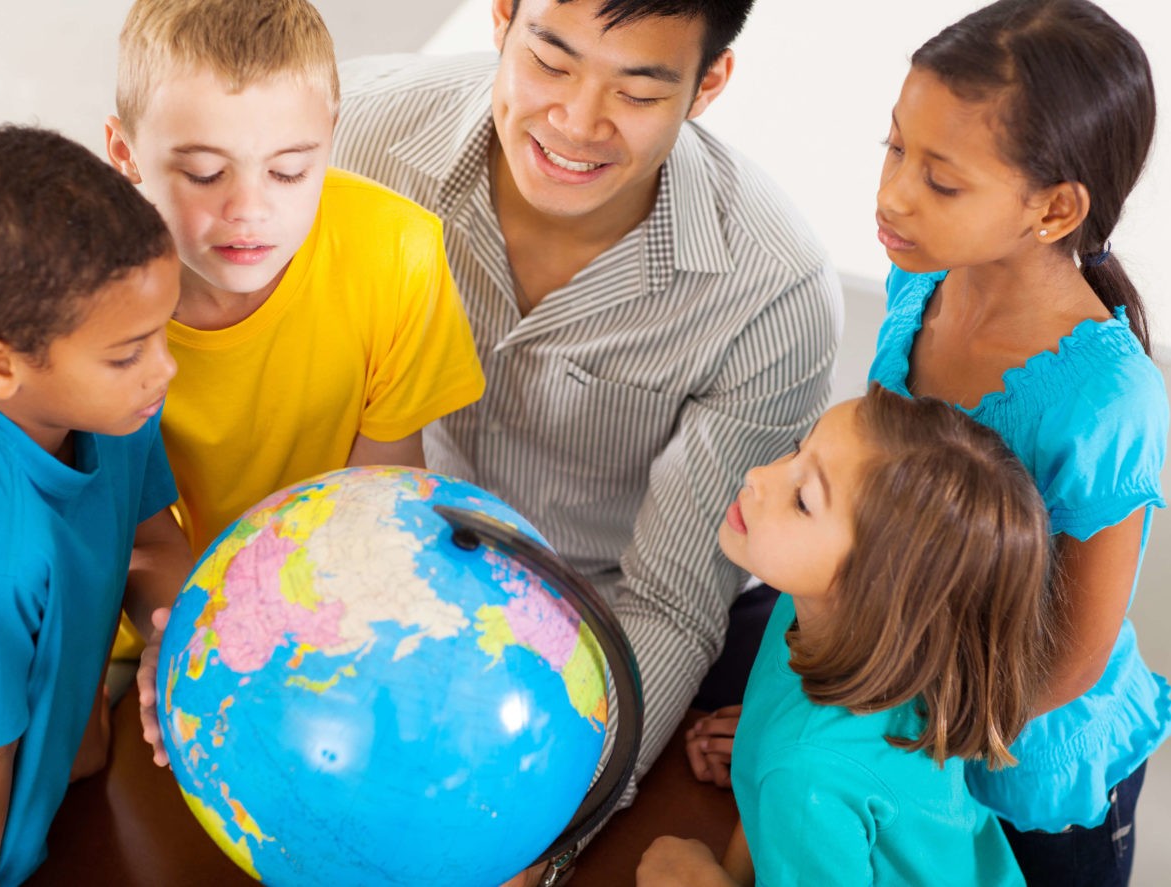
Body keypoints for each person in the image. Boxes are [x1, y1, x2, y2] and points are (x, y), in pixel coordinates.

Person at [331, 0, 842, 859]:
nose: (576, 123)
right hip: (381, 573)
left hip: (599, 621)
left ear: (707, 84)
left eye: (638, 92)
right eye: (552, 61)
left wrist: (545, 838)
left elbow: (672, 603)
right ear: (502, 18)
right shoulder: (350, 136)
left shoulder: (772, 291)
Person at [863, 1, 1170, 883]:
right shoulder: (919, 279)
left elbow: (1070, 655)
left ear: (1054, 209)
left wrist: (891, 732)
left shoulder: (1104, 399)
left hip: (1022, 765)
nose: (893, 194)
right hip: (915, 712)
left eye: (942, 180)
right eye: (893, 149)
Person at [102, 0, 486, 657]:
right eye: (204, 173)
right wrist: (194, 646)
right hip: (149, 627)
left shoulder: (396, 254)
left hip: (329, 607)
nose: (248, 210)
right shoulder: (85, 298)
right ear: (124, 153)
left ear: (330, 139)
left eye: (288, 171)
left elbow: (374, 501)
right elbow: (129, 538)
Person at [0, 125, 191, 885]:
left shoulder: (109, 408)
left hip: (58, 759)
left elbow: (151, 541)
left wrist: (179, 641)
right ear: (0, 367)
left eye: (161, 333)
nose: (164, 369)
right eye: (129, 353)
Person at [636, 385, 1052, 885]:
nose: (757, 475)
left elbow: (811, 773)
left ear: (877, 592)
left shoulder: (809, 775)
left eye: (802, 500)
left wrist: (696, 880)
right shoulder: (811, 613)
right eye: (796, 451)